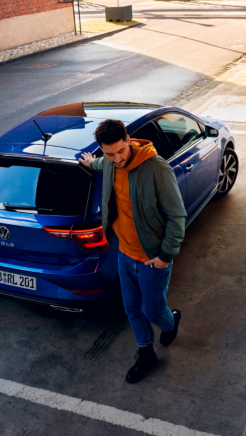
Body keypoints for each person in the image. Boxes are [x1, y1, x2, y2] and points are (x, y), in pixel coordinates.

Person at [79, 119, 187, 384]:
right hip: (124, 254)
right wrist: (89, 162)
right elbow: (100, 164)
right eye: (109, 153)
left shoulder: (156, 169)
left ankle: (171, 320)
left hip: (152, 259)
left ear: (128, 140)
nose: (116, 159)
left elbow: (177, 216)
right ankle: (146, 353)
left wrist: (165, 256)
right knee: (131, 308)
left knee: (152, 311)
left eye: (120, 151)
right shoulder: (109, 163)